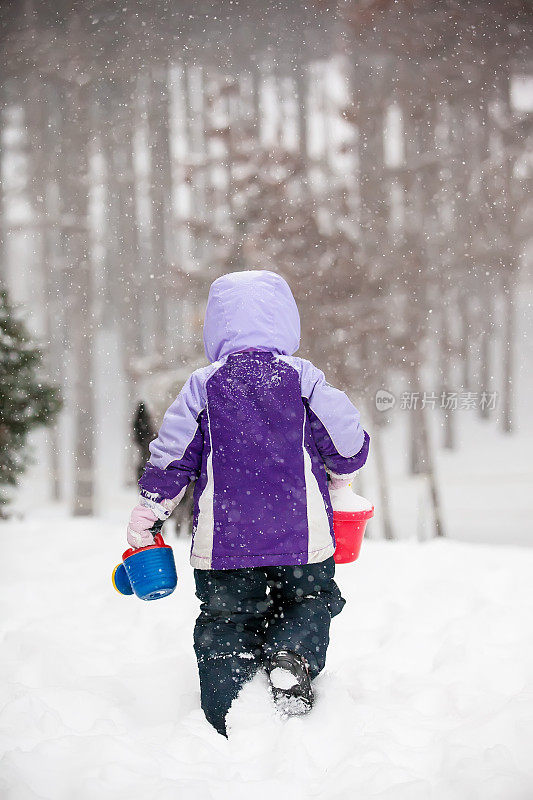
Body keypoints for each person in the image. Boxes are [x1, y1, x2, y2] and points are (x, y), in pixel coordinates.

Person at [126, 270, 370, 736]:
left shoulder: (202, 386)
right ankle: (291, 656)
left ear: (216, 328)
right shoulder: (303, 379)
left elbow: (172, 457)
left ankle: (224, 708)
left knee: (226, 618)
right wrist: (340, 465)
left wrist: (152, 508)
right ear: (286, 322)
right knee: (310, 600)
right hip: (303, 541)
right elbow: (348, 446)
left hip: (225, 544)